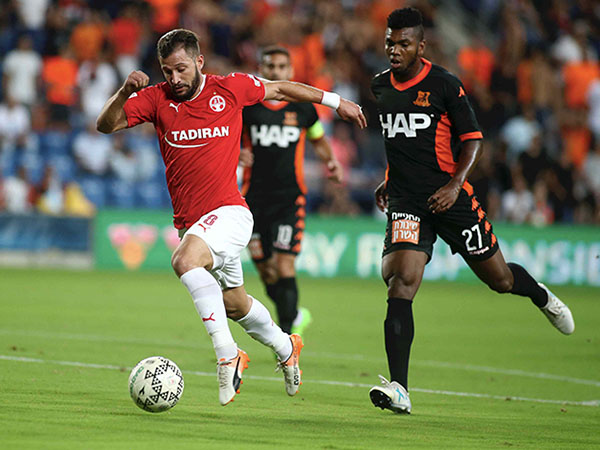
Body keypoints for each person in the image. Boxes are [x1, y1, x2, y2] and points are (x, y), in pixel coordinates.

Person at [96, 29, 366, 407]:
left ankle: (227, 354)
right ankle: (286, 346)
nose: (175, 78)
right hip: (194, 224)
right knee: (236, 304)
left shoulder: (230, 88)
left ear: (199, 61)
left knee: (184, 260)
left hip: (230, 213)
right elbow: (106, 125)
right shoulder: (156, 98)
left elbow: (281, 89)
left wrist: (337, 101)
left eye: (181, 69)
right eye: (167, 71)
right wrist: (124, 92)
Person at [368, 8, 574, 415]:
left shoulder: (445, 84)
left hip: (452, 198)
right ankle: (400, 389)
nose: (394, 50)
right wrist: (389, 179)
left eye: (404, 43)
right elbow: (399, 143)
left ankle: (541, 296)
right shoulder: (379, 86)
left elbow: (473, 139)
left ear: (421, 46)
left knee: (500, 279)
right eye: (390, 42)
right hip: (407, 201)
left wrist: (454, 185)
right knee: (401, 282)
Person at [239, 46, 343, 336]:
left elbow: (318, 138)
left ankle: (285, 339)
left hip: (289, 197)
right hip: (253, 199)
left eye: (282, 67)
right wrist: (236, 152)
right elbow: (226, 138)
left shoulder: (303, 107)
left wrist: (331, 161)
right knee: (266, 271)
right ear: (261, 70)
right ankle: (295, 315)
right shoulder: (247, 107)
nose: (276, 72)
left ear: (291, 71)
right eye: (270, 67)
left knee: (284, 265)